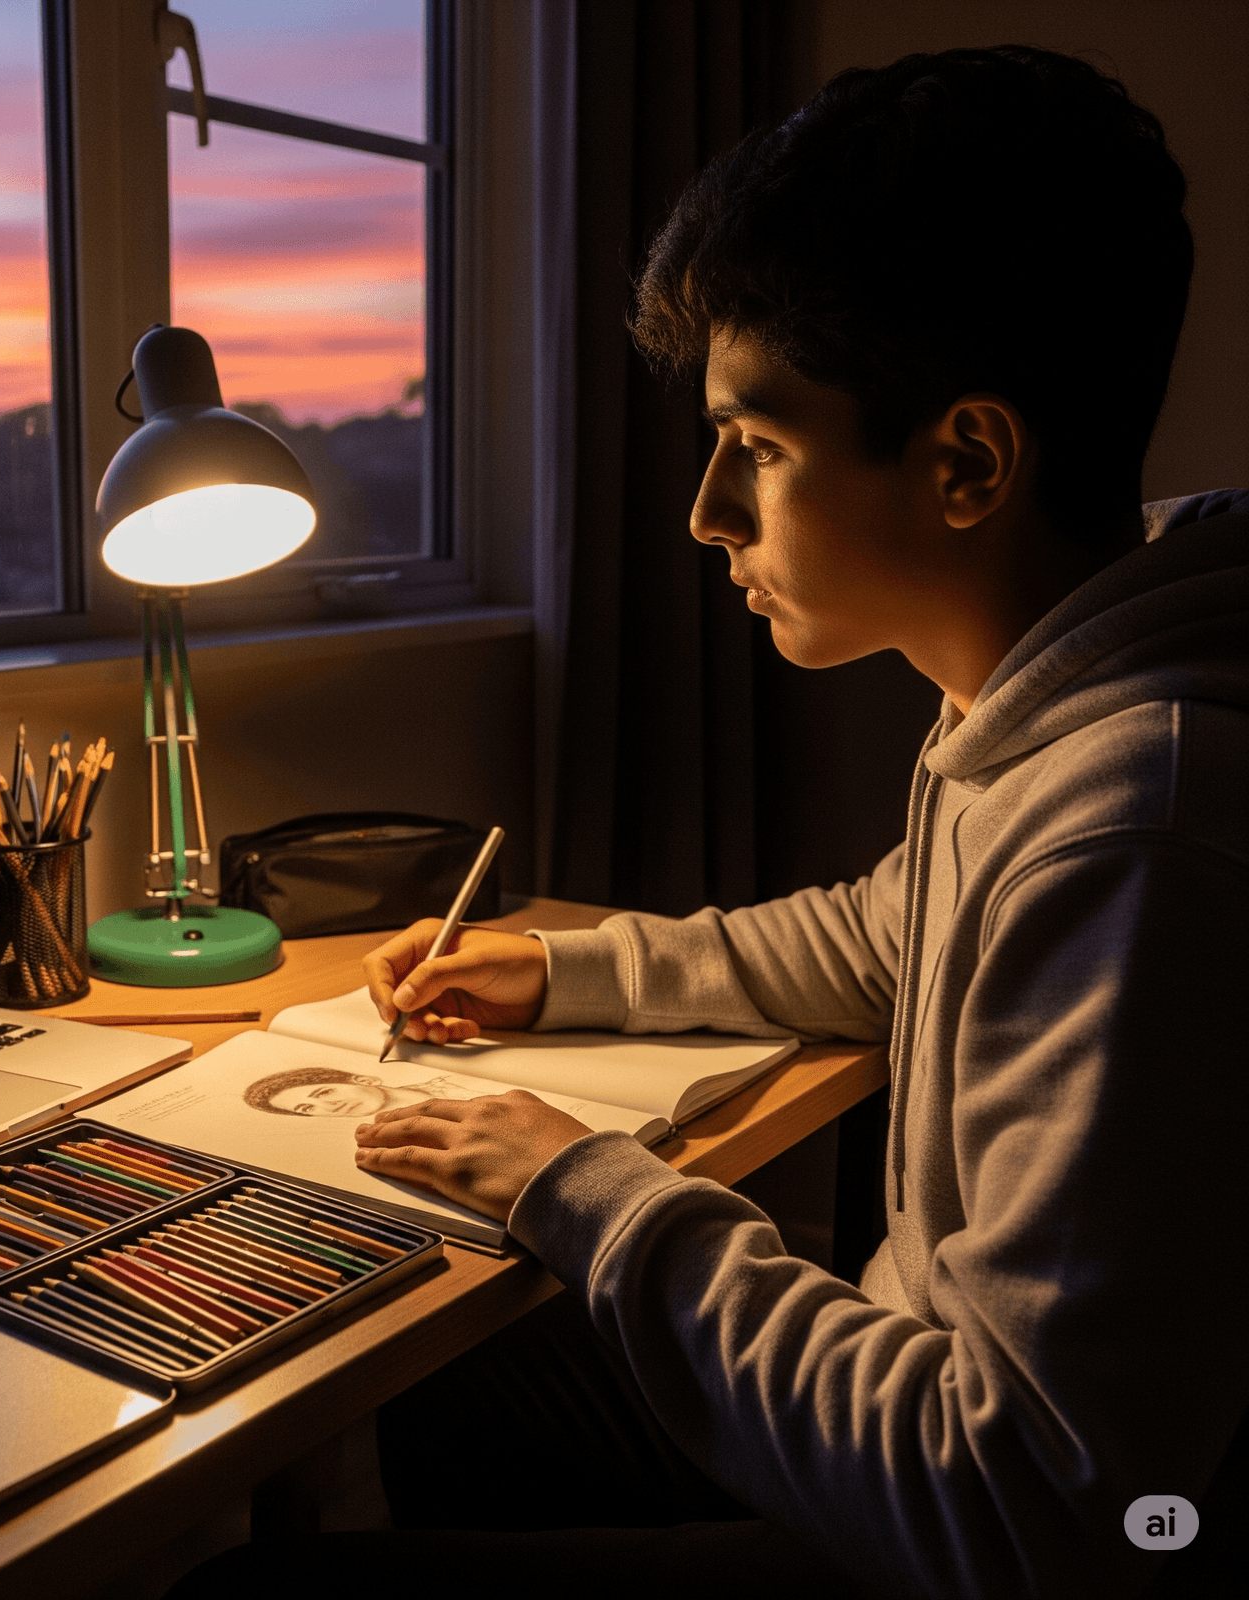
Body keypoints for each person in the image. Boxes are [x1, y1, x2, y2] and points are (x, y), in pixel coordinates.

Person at [174, 45, 1245, 1600]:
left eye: (758, 447)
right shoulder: (1042, 695)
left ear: (967, 462)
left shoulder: (1134, 829)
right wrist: (566, 973)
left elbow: (1036, 1514)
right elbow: (884, 938)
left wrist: (586, 1183)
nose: (704, 513)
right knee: (450, 1381)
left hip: (980, 1531)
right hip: (922, 1394)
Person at [243, 1065, 475, 1118]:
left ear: (364, 1080)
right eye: (307, 1108)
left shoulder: (466, 1088)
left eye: (324, 1093)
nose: (329, 1106)